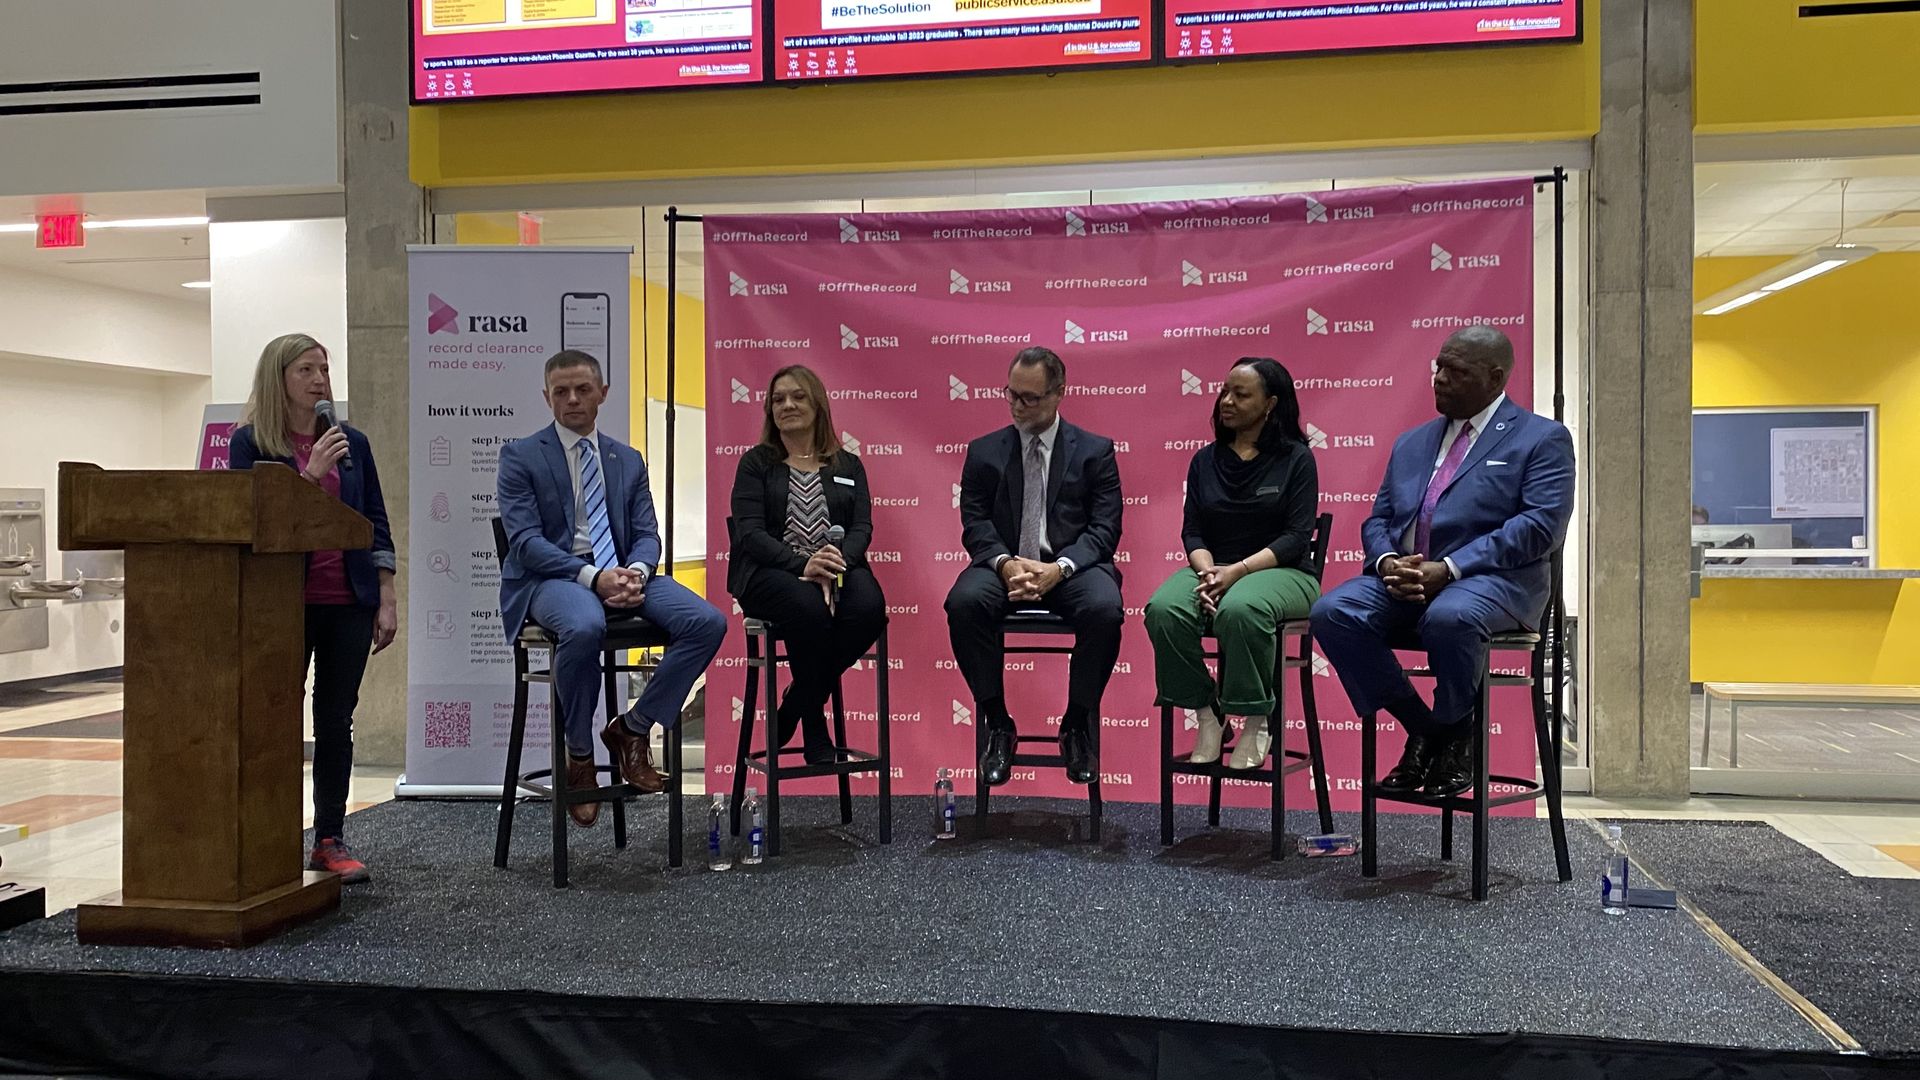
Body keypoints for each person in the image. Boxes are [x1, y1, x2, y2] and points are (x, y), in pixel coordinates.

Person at [1309, 326, 1574, 798]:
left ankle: (1449, 729)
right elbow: (1381, 518)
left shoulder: (1541, 438)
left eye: (1457, 371)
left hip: (1492, 582)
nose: (1440, 379)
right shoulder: (1412, 442)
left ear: (1494, 378)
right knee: (1334, 612)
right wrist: (1389, 560)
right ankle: (1436, 730)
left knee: (1450, 617)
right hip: (1409, 578)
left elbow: (1539, 528)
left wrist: (1449, 569)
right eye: (1439, 366)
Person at [497, 350, 726, 827]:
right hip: (553, 579)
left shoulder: (627, 459)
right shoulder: (520, 456)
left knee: (707, 622)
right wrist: (592, 578)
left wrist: (637, 572)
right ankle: (578, 752)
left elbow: (647, 533)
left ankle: (632, 728)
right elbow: (525, 543)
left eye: (583, 389)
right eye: (561, 392)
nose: (572, 399)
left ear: (603, 393)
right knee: (585, 624)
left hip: (623, 572)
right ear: (547, 397)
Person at [228, 333, 396, 885]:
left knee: (334, 723)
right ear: (279, 378)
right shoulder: (251, 443)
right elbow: (251, 522)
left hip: (346, 599)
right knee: (273, 721)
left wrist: (385, 593)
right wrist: (307, 476)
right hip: (282, 604)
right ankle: (268, 836)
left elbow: (374, 518)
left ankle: (329, 838)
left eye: (323, 369)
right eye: (306, 370)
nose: (320, 379)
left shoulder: (354, 443)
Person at [944, 346, 1124, 786]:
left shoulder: (1095, 451)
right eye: (1012, 395)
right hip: (1002, 567)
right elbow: (975, 524)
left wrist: (1058, 569)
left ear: (1059, 393)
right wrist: (1005, 564)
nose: (1018, 406)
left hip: (1069, 569)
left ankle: (1076, 724)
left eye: (1031, 398)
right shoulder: (984, 451)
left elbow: (1105, 529)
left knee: (1104, 609)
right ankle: (998, 723)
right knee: (964, 603)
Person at [1144, 358, 1322, 771]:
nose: (1227, 401)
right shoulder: (1205, 460)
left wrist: (1236, 572)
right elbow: (1193, 532)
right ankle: (1208, 715)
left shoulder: (1296, 459)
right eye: (1224, 392)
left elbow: (1297, 537)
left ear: (1270, 404)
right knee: (1165, 610)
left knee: (1241, 608)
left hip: (1285, 572)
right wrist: (1209, 572)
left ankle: (1258, 718)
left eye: (1241, 394)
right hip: (1214, 568)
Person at [728, 365, 888, 764]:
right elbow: (751, 534)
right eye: (778, 398)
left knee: (869, 610)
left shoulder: (847, 465)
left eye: (797, 396)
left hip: (838, 567)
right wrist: (803, 564)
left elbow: (862, 526)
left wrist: (837, 561)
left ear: (817, 404)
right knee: (807, 607)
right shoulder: (756, 464)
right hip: (771, 573)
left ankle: (797, 703)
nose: (787, 405)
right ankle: (815, 728)